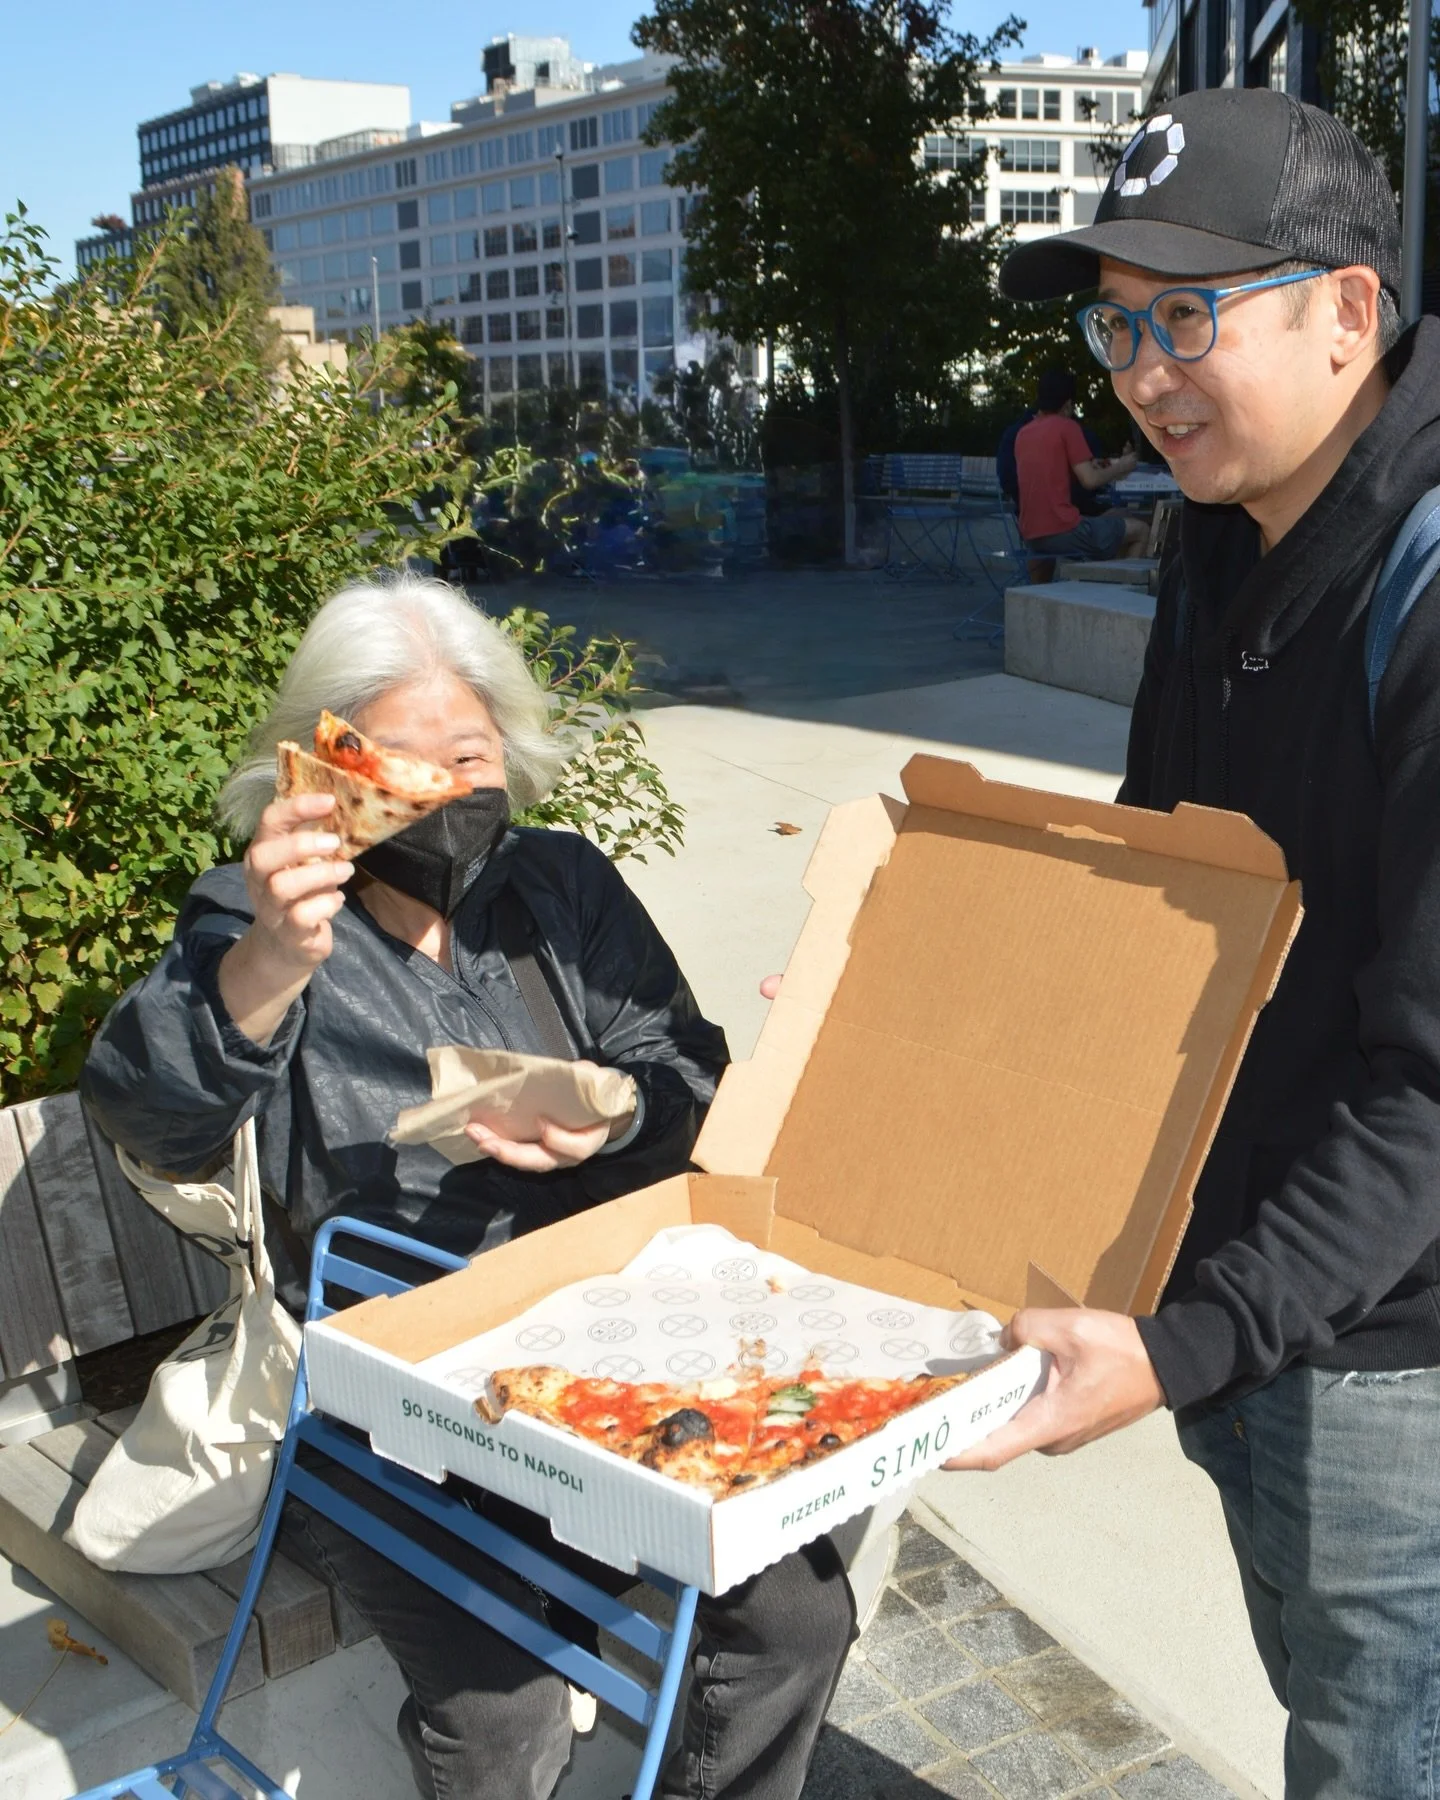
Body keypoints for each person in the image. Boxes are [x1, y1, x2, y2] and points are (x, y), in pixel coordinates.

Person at [82, 574, 854, 1800]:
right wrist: (270, 964)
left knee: (799, 1619)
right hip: (383, 1395)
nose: (446, 793)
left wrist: (613, 1119)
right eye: (404, 764)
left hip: (597, 1345)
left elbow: (684, 1067)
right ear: (328, 771)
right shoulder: (262, 918)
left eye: (471, 753)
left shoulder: (560, 887)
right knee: (507, 1717)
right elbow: (146, 1118)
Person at [947, 84, 1440, 1798]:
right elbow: (1163, 899)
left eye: (1185, 317)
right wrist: (922, 1013)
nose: (1140, 376)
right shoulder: (1213, 541)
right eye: (1115, 324)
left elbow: (1436, 1087)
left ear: (1349, 312)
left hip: (1396, 1355)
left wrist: (1186, 1343)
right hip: (1225, 1293)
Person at [1013, 367, 1149, 561]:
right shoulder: (1067, 427)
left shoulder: (1023, 433)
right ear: (1068, 405)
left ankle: (1106, 580)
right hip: (1062, 530)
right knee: (1141, 530)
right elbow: (1090, 480)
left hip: (1029, 532)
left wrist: (1097, 465)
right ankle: (1121, 589)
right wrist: (1122, 466)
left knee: (1119, 514)